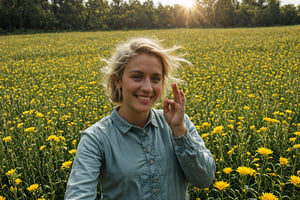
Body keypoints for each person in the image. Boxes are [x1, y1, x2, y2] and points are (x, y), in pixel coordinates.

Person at [64, 37, 216, 200]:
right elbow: (79, 195)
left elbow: (204, 180)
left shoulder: (179, 124)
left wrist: (180, 132)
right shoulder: (96, 138)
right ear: (118, 81)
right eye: (137, 77)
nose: (147, 88)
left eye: (155, 79)